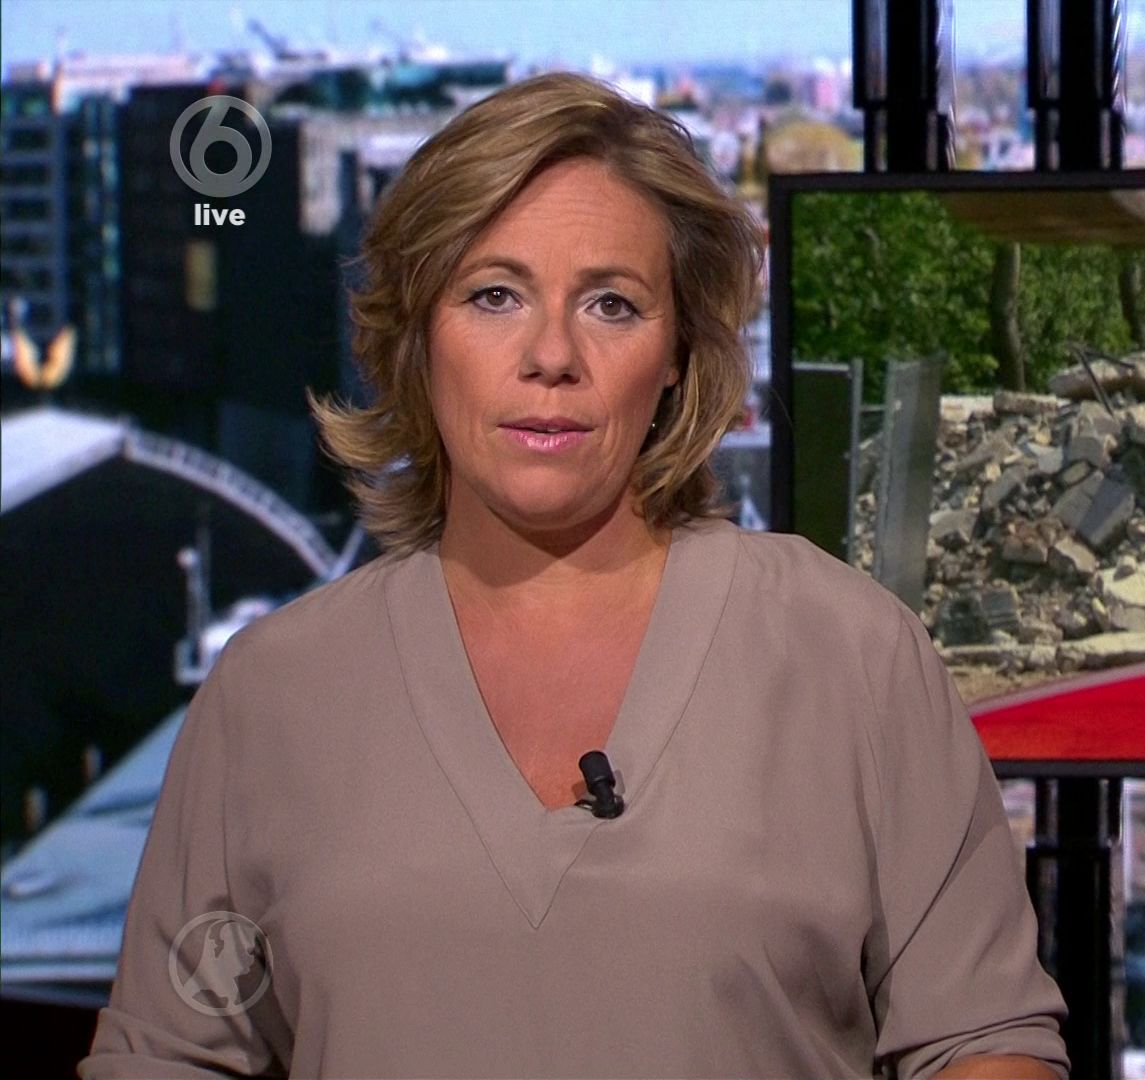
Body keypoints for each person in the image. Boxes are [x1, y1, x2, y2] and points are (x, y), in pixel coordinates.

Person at [77, 72, 1068, 1079]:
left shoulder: (850, 653)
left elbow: (985, 1040)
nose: (551, 354)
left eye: (611, 304)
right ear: (416, 337)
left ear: (677, 352)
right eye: (494, 296)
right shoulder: (273, 693)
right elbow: (168, 1057)